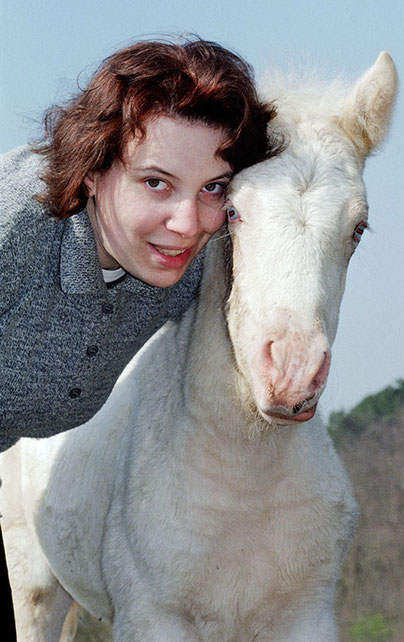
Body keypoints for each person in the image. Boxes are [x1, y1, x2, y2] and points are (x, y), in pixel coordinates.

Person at [0, 37, 279, 453]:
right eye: (156, 183)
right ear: (92, 169)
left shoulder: (196, 261)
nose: (187, 225)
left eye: (213, 187)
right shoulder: (17, 219)